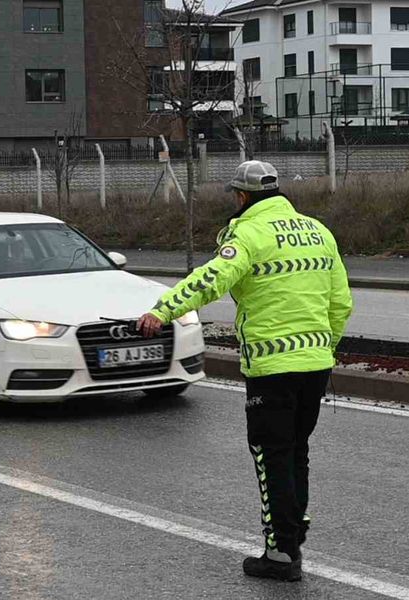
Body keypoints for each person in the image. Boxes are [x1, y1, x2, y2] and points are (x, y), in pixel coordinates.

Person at [136, 161, 354, 582]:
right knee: (296, 450)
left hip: (273, 366)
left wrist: (162, 311)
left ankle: (279, 553)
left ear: (241, 197)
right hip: (315, 365)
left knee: (271, 455)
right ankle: (295, 534)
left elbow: (212, 279)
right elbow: (341, 302)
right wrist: (325, 347)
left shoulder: (248, 233)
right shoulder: (318, 232)